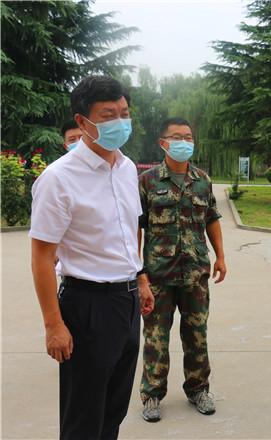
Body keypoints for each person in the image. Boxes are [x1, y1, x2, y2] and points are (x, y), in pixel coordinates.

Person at [30, 75, 154, 440]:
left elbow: (129, 231)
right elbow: (42, 258)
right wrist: (53, 324)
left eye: (124, 113)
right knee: (84, 417)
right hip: (87, 306)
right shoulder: (58, 179)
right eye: (108, 115)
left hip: (127, 303)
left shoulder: (127, 168)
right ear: (82, 122)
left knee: (113, 410)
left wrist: (141, 278)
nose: (120, 122)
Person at [138, 117, 226, 422]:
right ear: (163, 143)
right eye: (177, 137)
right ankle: (152, 394)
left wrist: (221, 256)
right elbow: (136, 228)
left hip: (195, 273)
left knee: (197, 335)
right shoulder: (147, 181)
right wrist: (139, 273)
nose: (184, 142)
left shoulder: (202, 180)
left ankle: (198, 389)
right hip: (158, 275)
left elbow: (211, 218)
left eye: (188, 137)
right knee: (156, 338)